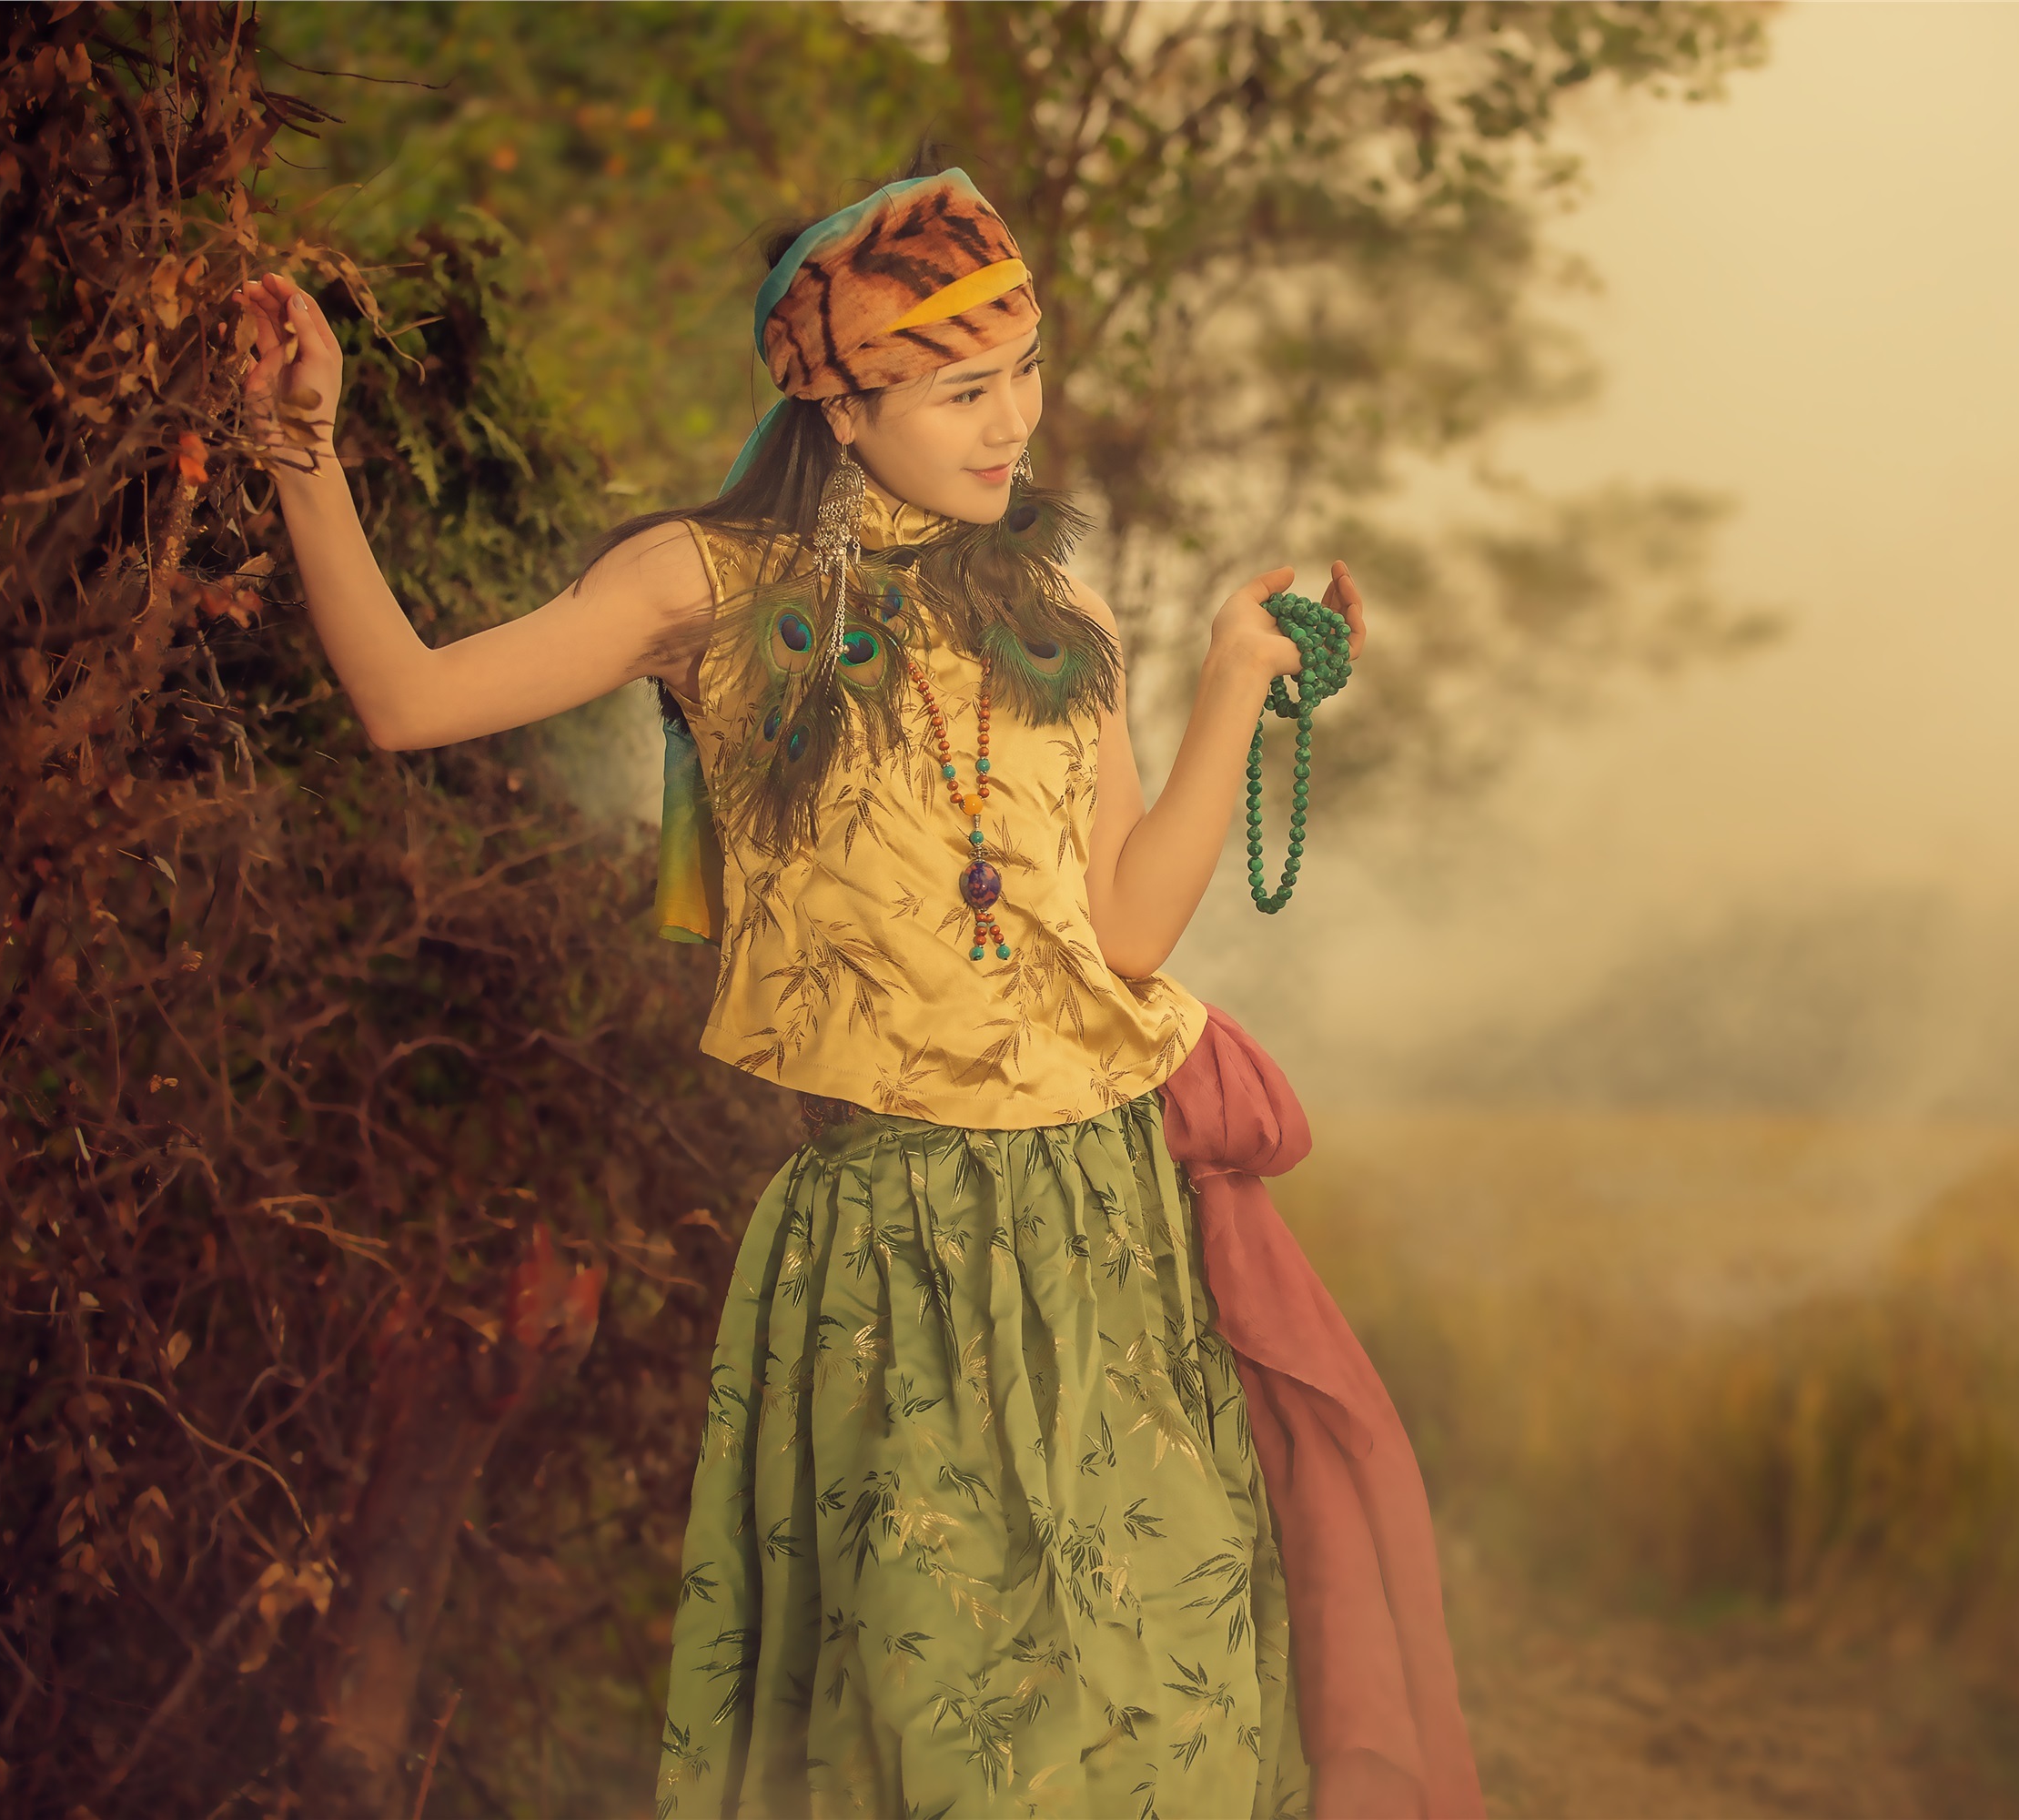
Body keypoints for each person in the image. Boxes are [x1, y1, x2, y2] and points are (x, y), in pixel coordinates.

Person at [235, 161, 1484, 1820]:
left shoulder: (1065, 613)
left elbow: (1123, 933)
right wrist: (303, 454)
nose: (1013, 423)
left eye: (1026, 373)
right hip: (896, 1243)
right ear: (842, 401)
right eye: (966, 389)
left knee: (1157, 1715)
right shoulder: (710, 591)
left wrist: (1238, 683)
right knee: (938, 1723)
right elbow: (404, 698)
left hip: (1107, 1226)